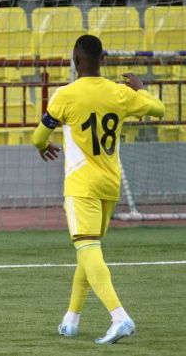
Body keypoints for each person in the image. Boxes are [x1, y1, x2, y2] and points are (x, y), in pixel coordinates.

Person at [32, 35, 165, 344]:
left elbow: (39, 136)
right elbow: (157, 109)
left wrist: (43, 146)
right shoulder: (120, 93)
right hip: (109, 184)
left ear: (75, 60)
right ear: (102, 59)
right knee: (89, 251)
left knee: (88, 250)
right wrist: (141, 89)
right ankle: (71, 319)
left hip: (81, 185)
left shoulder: (65, 95)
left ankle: (119, 316)